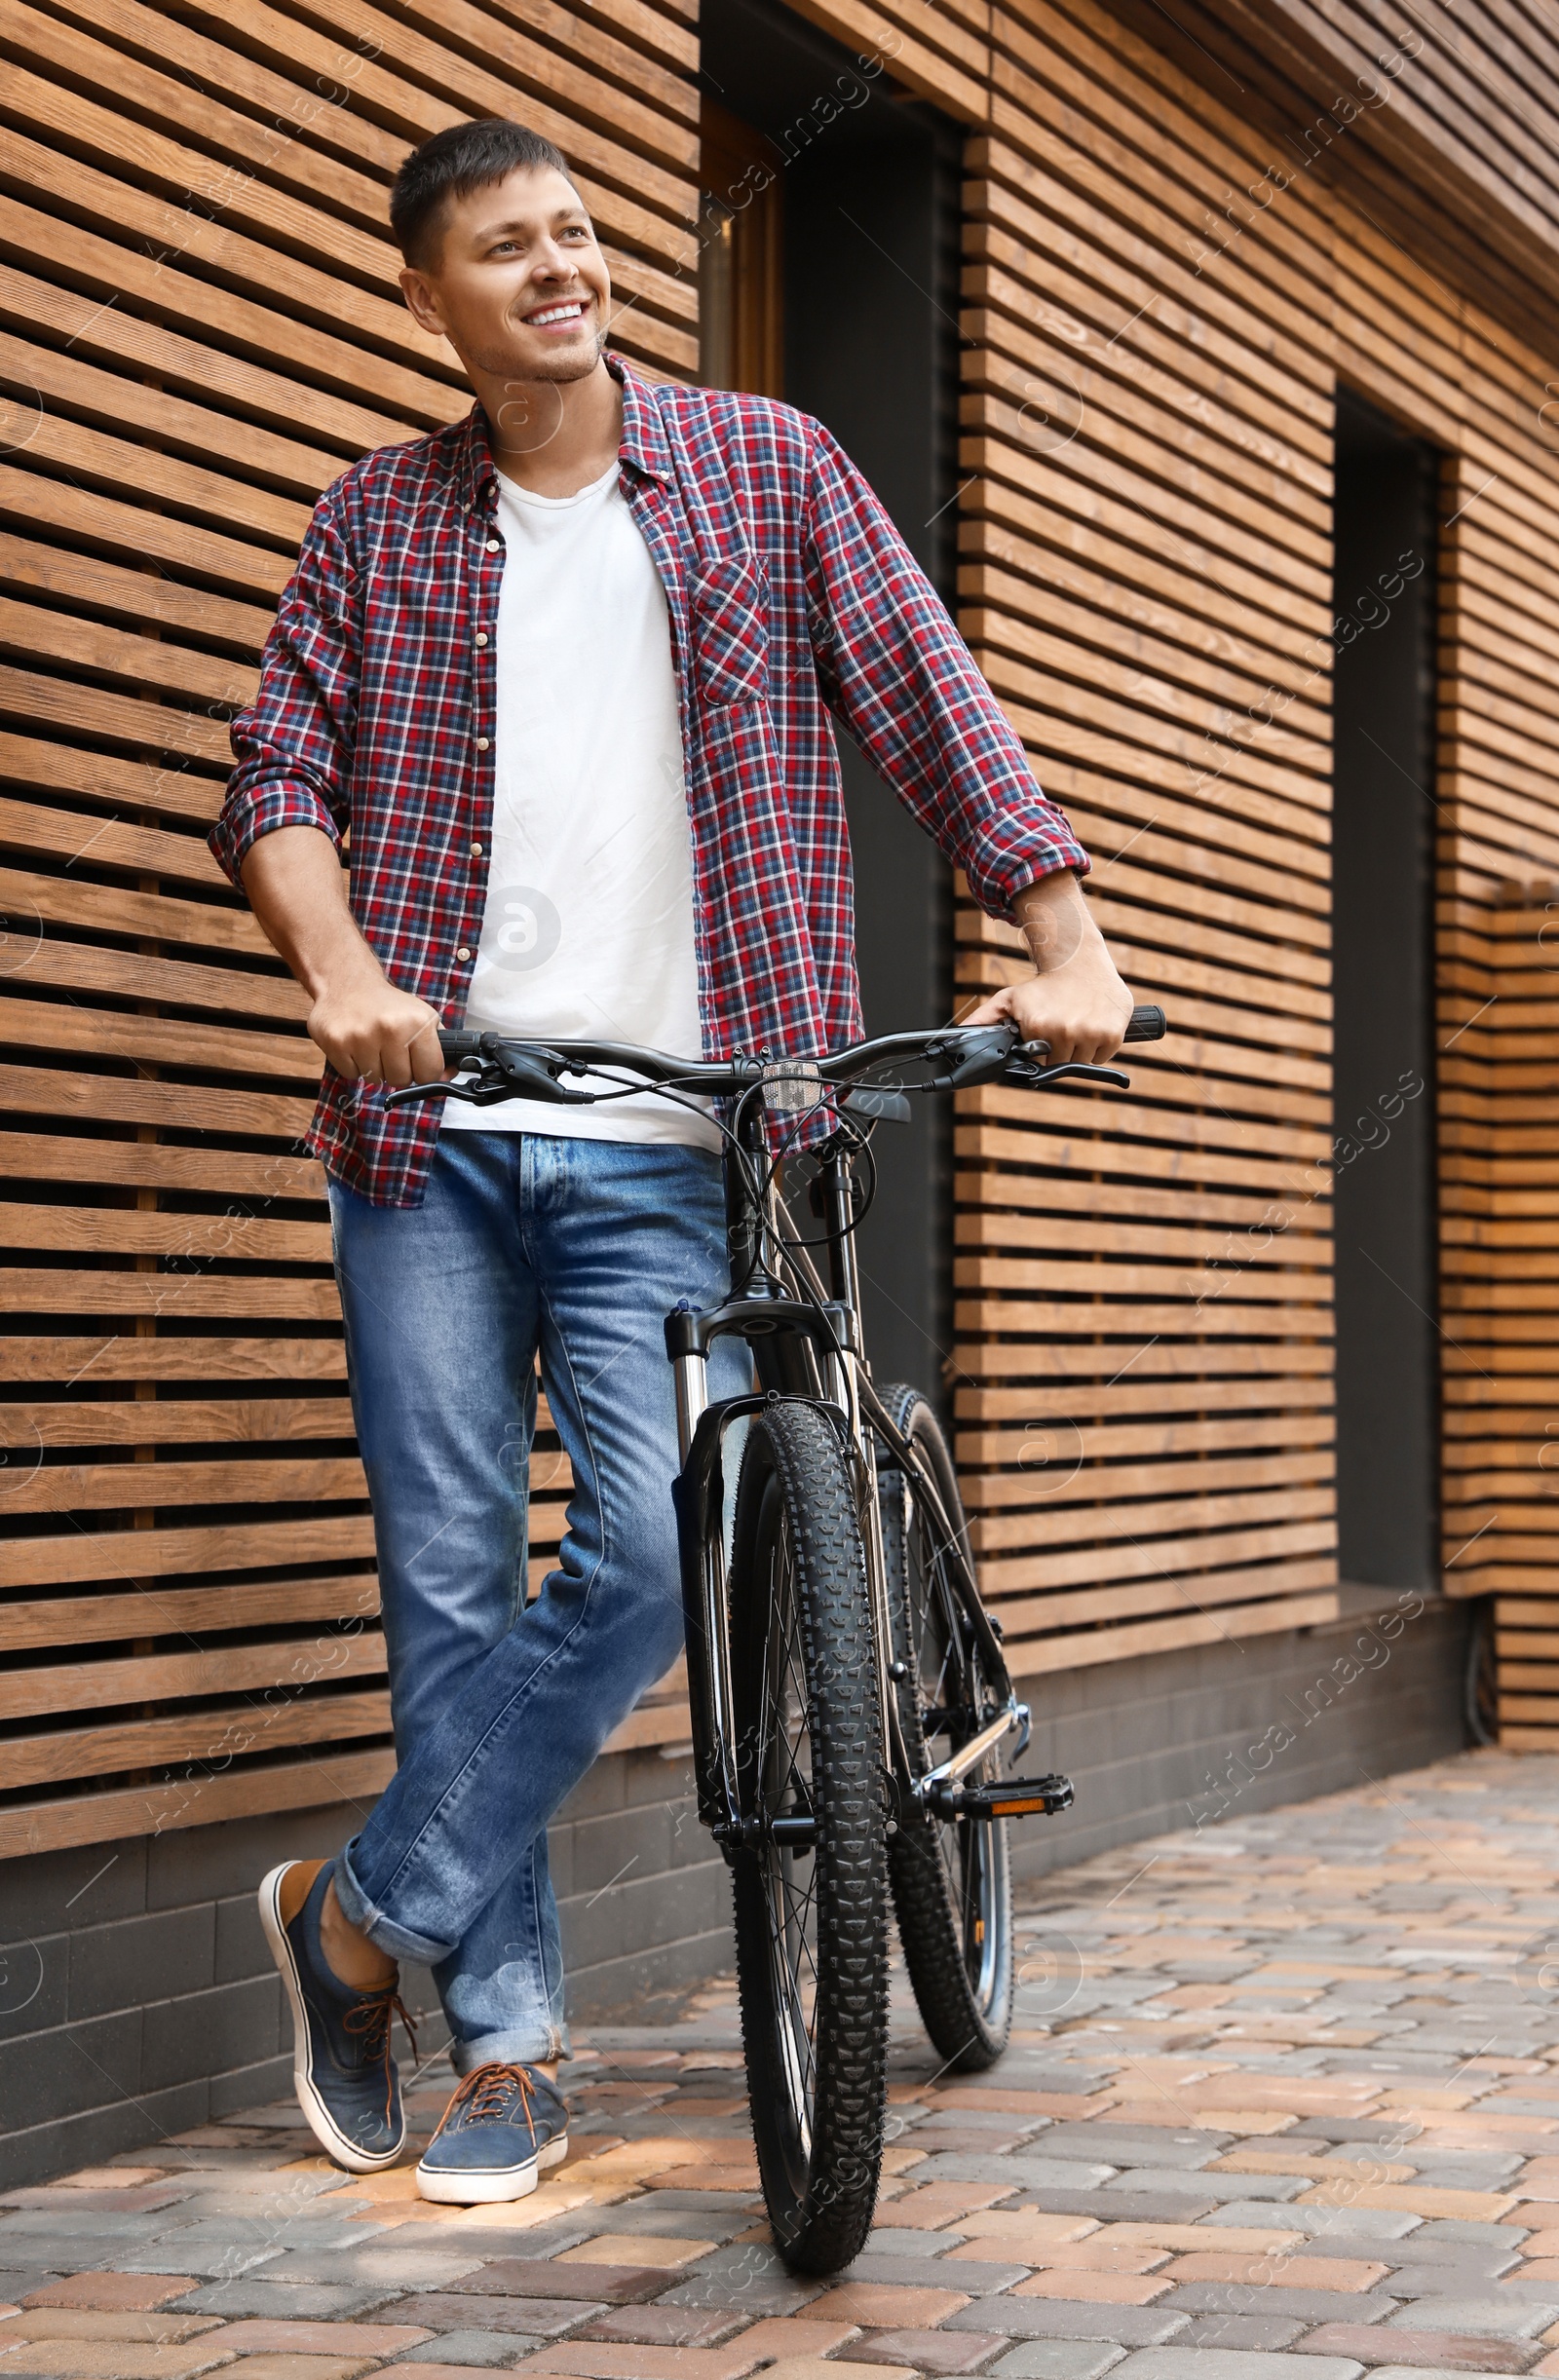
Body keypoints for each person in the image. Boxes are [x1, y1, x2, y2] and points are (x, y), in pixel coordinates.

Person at [210, 115, 1133, 2206]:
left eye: (576, 231)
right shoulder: (374, 523)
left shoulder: (763, 467)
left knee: (642, 1557)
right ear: (428, 298)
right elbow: (273, 769)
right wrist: (341, 963)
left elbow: (928, 700)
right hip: (430, 1132)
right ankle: (507, 2060)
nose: (556, 266)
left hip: (675, 1129)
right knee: (448, 1582)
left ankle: (352, 1919)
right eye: (502, 247)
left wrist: (1057, 931)